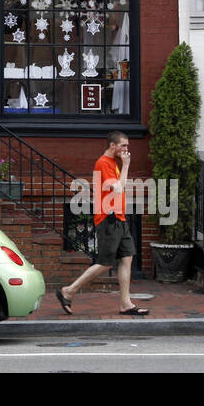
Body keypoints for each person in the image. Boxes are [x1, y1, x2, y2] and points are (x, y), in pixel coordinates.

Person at [55, 131, 150, 317]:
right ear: (112, 145)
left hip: (119, 218)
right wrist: (127, 165)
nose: (126, 150)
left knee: (127, 257)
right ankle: (69, 290)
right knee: (105, 263)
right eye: (123, 146)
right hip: (108, 219)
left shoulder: (114, 163)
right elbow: (119, 187)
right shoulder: (103, 163)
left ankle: (125, 303)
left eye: (127, 146)